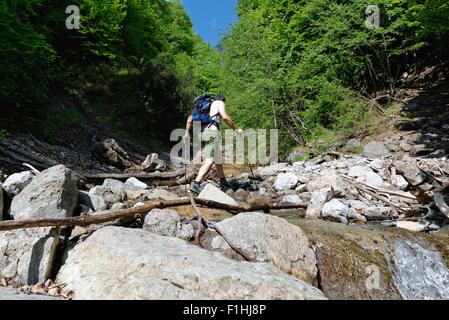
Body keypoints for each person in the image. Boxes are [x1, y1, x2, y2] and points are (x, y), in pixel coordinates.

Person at [184, 94, 242, 194]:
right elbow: (225, 117)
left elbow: (190, 119)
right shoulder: (219, 102)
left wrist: (186, 134)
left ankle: (223, 181)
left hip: (202, 133)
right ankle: (196, 183)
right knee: (210, 160)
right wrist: (236, 129)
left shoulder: (206, 106)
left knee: (217, 157)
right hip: (212, 133)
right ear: (223, 100)